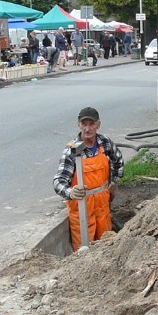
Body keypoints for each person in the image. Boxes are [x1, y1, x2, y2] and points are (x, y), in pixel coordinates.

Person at [53, 107, 124, 251]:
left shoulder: (105, 143)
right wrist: (70, 192)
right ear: (79, 125)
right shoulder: (72, 151)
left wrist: (115, 181)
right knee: (84, 250)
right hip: (82, 209)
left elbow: (118, 161)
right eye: (84, 124)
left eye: (91, 124)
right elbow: (58, 181)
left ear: (98, 125)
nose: (87, 129)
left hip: (102, 204)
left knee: (107, 245)